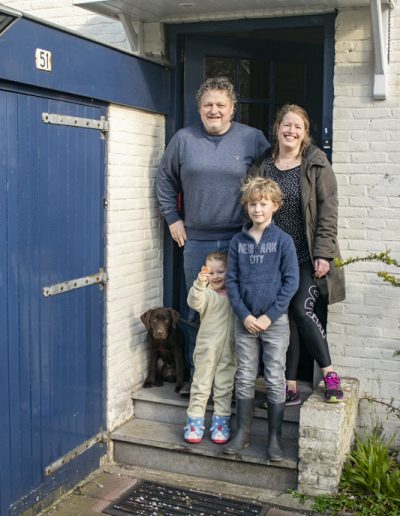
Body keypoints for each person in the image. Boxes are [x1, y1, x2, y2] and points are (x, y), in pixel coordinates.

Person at [156, 77, 270, 394]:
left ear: (232, 108)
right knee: (197, 310)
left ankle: (238, 382)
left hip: (241, 239)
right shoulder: (183, 139)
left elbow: (273, 180)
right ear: (199, 108)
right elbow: (164, 180)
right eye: (208, 104)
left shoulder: (253, 139)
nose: (214, 110)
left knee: (241, 309)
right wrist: (173, 218)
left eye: (221, 104)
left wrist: (264, 227)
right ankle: (199, 378)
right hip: (197, 242)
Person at [249, 104, 346, 405]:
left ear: (305, 134)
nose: (291, 131)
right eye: (286, 125)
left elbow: (328, 213)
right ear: (277, 128)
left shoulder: (316, 164)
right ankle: (287, 385)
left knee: (302, 311)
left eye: (298, 127)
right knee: (282, 319)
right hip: (272, 257)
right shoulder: (262, 166)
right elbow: (251, 207)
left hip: (305, 255)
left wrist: (323, 253)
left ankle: (329, 373)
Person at [224, 177, 299, 461]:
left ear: (275, 206)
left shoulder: (283, 241)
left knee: (274, 376)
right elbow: (231, 282)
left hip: (274, 322)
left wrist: (269, 316)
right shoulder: (237, 242)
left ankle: (274, 440)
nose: (257, 209)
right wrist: (244, 315)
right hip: (245, 322)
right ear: (246, 207)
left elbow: (291, 282)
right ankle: (242, 433)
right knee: (244, 375)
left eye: (263, 204)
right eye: (253, 204)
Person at [183, 251, 236, 444]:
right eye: (211, 273)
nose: (216, 276)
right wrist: (199, 283)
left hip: (229, 350)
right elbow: (193, 302)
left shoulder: (234, 296)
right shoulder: (205, 294)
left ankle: (221, 422)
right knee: (201, 385)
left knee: (224, 386)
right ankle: (194, 421)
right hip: (207, 349)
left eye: (220, 272)